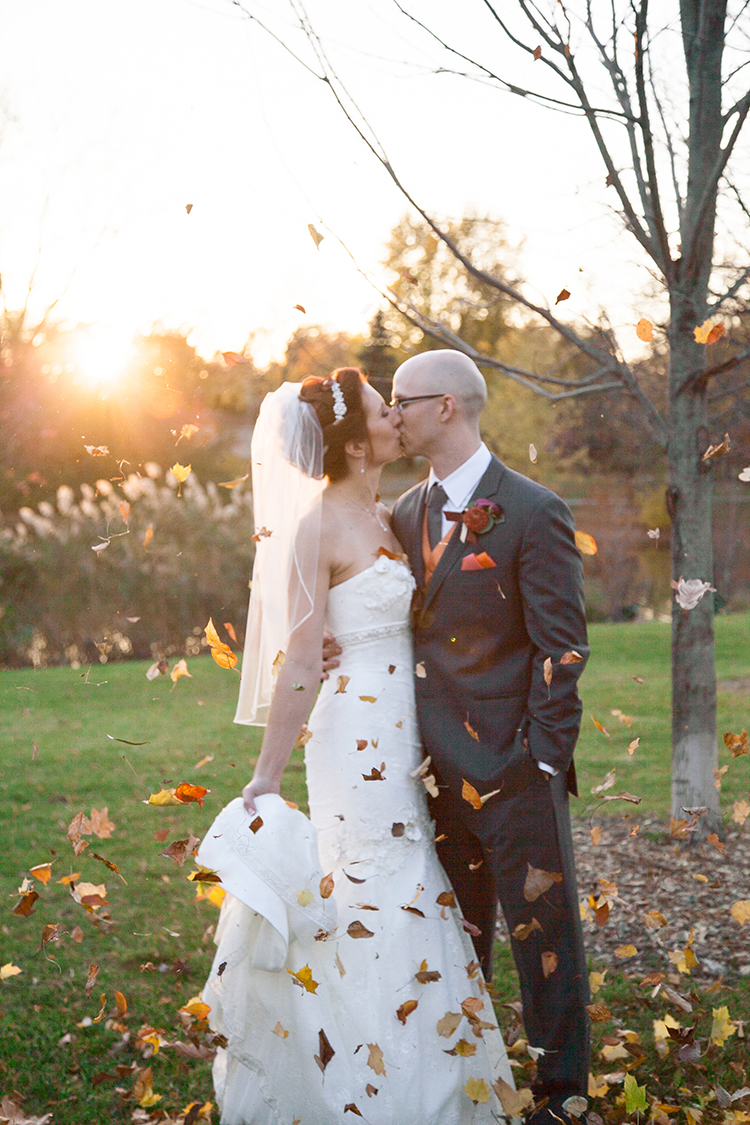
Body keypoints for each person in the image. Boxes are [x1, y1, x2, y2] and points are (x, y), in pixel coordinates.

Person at [199, 369, 515, 1125]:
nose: (395, 419)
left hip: (409, 723)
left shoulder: (391, 513)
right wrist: (266, 774)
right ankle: (371, 1087)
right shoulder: (315, 525)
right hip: (352, 735)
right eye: (384, 410)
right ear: (352, 437)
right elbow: (302, 659)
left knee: (416, 872)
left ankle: (432, 1069)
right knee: (374, 877)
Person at [325, 350, 591, 1124]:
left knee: (546, 943)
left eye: (402, 400)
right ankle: (465, 1080)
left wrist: (539, 756)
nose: (393, 413)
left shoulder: (534, 509)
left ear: (446, 406)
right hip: (429, 776)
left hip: (515, 772)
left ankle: (562, 1094)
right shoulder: (403, 512)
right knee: (455, 940)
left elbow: (562, 647)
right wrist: (327, 644)